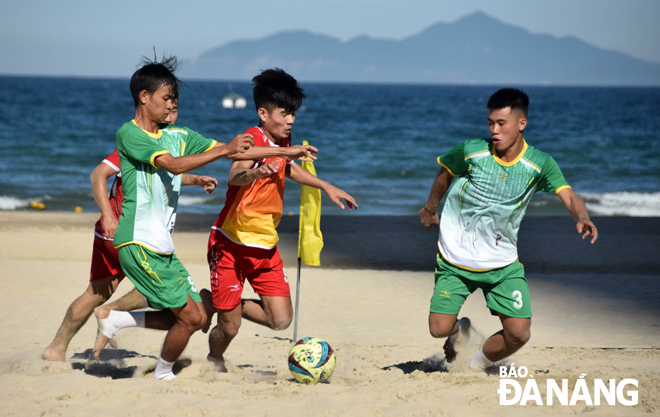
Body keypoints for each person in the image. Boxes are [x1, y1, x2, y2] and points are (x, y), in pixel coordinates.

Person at [91, 57, 317, 380]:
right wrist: (108, 214)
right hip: (137, 240)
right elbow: (173, 165)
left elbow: (233, 152)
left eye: (174, 100)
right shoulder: (130, 134)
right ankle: (162, 374)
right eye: (166, 98)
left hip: (162, 246)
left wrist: (262, 152)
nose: (172, 106)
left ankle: (116, 319)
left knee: (196, 317)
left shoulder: (176, 134)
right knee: (191, 317)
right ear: (144, 97)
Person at [418, 88, 598, 372]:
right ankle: (458, 331)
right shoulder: (472, 150)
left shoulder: (539, 164)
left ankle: (474, 366)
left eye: (501, 124)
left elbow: (569, 195)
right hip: (455, 258)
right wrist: (430, 208)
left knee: (519, 334)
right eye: (490, 123)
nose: (494, 130)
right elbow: (444, 174)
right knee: (438, 329)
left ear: (521, 124)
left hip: (501, 264)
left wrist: (582, 216)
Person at [205, 68, 358, 371]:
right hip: (231, 244)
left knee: (281, 321)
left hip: (265, 245)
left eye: (294, 115)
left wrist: (326, 185)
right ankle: (215, 357)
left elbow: (286, 168)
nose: (291, 120)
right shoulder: (252, 140)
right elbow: (235, 174)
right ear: (263, 113)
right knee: (230, 328)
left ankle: (217, 302)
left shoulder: (282, 141)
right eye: (285, 113)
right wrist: (254, 173)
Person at [42, 100, 218, 362]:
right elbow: (98, 175)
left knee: (96, 292)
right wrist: (109, 216)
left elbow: (161, 175)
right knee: (157, 286)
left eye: (175, 108)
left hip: (113, 233)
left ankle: (56, 348)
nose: (170, 113)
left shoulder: (160, 142)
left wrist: (194, 180)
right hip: (129, 231)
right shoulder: (138, 140)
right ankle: (111, 314)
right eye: (166, 106)